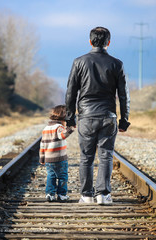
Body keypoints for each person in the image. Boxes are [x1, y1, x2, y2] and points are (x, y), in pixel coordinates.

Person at [65, 26, 130, 205]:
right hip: (108, 116)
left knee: (86, 157)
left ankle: (86, 196)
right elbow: (124, 95)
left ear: (90, 41)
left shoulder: (79, 62)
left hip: (86, 116)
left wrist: (70, 118)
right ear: (108, 42)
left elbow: (71, 92)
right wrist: (124, 120)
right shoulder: (117, 64)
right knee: (106, 155)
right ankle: (103, 195)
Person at [39, 105, 74, 202]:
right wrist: (70, 128)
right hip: (60, 158)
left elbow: (42, 145)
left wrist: (42, 159)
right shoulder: (59, 127)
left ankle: (50, 194)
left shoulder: (46, 128)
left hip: (48, 159)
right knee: (63, 176)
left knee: (51, 175)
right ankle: (62, 194)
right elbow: (62, 135)